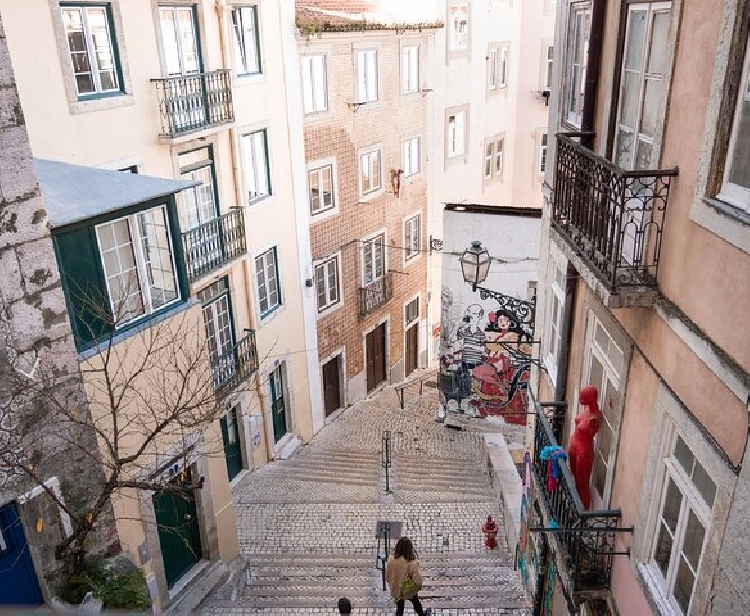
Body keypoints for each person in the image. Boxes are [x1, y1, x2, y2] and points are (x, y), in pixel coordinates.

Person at [385, 537, 431, 616]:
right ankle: (421, 614)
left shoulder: (391, 560)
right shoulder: (412, 563)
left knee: (399, 606)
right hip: (408, 588)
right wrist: (418, 586)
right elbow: (417, 580)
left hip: (397, 588)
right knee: (416, 603)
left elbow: (387, 575)